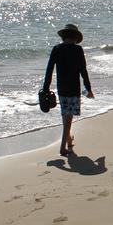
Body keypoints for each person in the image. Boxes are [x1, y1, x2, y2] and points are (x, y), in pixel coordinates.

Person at [43, 23, 94, 157]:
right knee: (68, 117)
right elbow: (83, 70)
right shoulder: (78, 50)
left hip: (61, 88)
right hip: (73, 88)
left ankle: (69, 140)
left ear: (63, 36)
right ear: (76, 37)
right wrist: (88, 88)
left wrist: (46, 88)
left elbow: (49, 70)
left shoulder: (56, 49)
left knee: (65, 115)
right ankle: (62, 148)